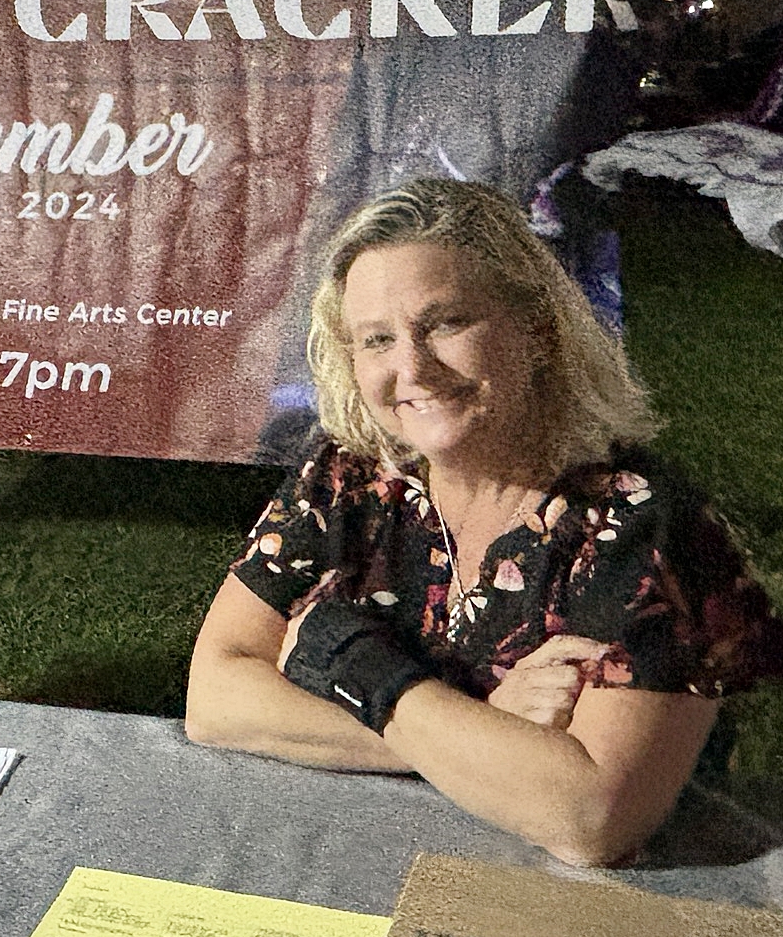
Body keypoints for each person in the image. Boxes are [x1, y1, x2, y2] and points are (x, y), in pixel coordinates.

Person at [186, 179, 782, 867]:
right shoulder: (348, 479)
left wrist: (344, 659)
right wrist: (484, 719)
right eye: (377, 339)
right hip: (369, 856)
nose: (411, 367)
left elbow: (588, 817)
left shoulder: (640, 526)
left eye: (445, 323)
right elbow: (214, 696)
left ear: (536, 329)